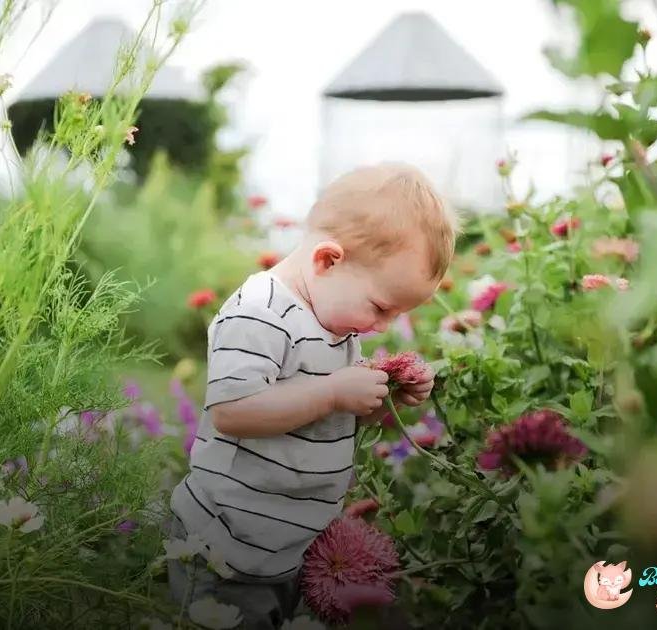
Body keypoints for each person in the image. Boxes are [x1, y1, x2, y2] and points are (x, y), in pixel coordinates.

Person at [166, 162, 458, 629]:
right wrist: (331, 392)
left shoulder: (333, 321)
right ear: (328, 260)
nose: (383, 326)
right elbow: (233, 412)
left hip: (286, 546)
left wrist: (384, 398)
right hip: (225, 549)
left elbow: (324, 417)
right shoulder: (259, 313)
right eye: (381, 307)